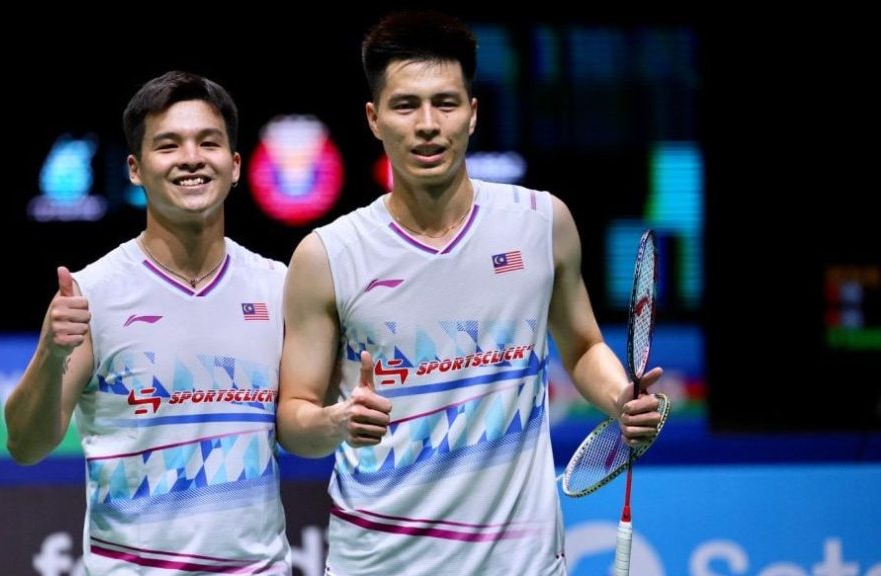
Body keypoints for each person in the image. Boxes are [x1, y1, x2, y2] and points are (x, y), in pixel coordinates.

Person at [277, 10, 665, 575]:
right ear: (374, 119)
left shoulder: (541, 223)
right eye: (405, 105)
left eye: (446, 103)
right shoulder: (328, 255)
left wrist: (619, 397)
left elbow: (582, 346)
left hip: (521, 560)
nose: (427, 124)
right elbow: (293, 422)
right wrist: (337, 422)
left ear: (473, 113)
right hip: (380, 562)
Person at [4, 71, 291, 574]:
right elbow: (25, 446)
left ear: (235, 165)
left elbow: (304, 430)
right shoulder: (93, 293)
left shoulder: (278, 287)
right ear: (135, 170)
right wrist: (50, 352)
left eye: (209, 142)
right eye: (168, 145)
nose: (191, 158)